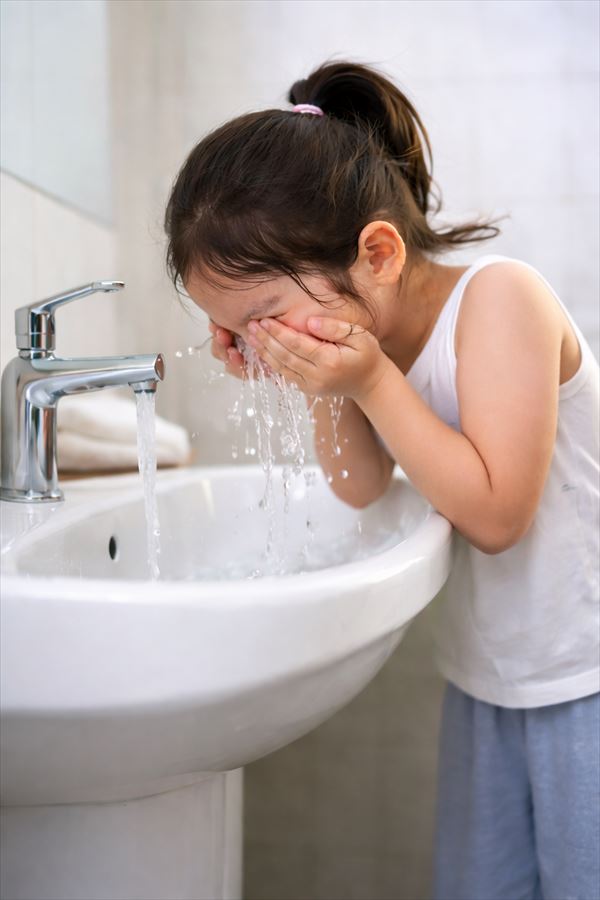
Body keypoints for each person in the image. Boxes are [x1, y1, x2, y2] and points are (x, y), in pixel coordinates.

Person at [164, 60, 599, 900]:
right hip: (492, 676)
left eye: (260, 319)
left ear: (377, 252)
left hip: (584, 677)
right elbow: (360, 483)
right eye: (228, 331)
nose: (249, 344)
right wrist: (311, 375)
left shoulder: (502, 299)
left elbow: (498, 512)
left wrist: (366, 381)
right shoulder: (375, 344)